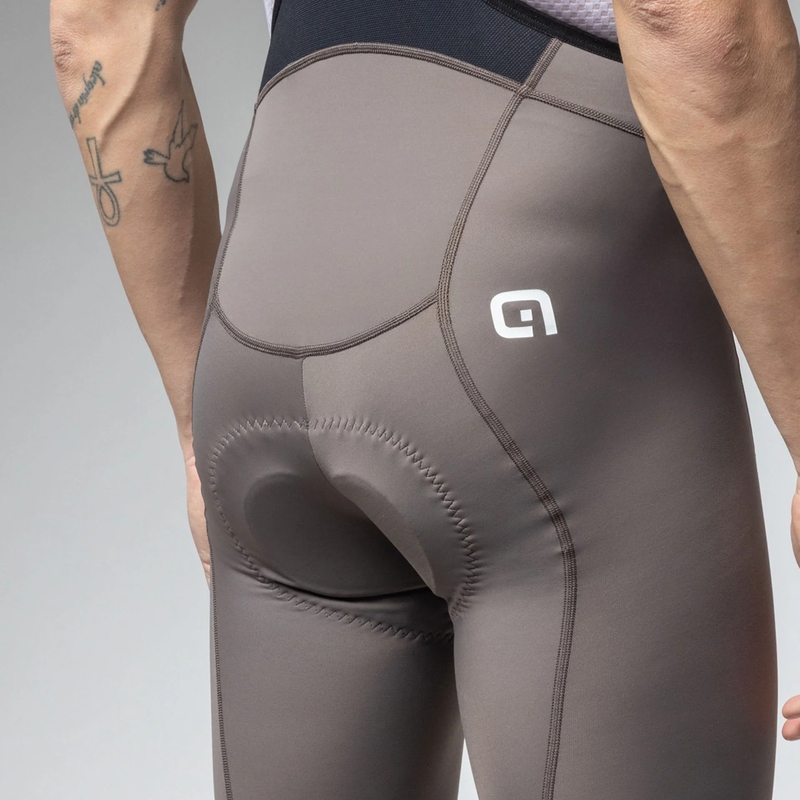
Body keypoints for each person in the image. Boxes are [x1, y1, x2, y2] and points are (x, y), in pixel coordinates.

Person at [49, 0, 800, 797]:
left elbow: (94, 26)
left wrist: (192, 425)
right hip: (544, 308)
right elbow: (689, 20)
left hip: (259, 324)